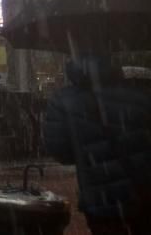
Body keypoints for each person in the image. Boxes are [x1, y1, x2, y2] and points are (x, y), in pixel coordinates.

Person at [43, 54, 151, 234]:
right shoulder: (138, 94)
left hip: (99, 199)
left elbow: (60, 152)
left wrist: (87, 151)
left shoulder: (62, 101)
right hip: (141, 195)